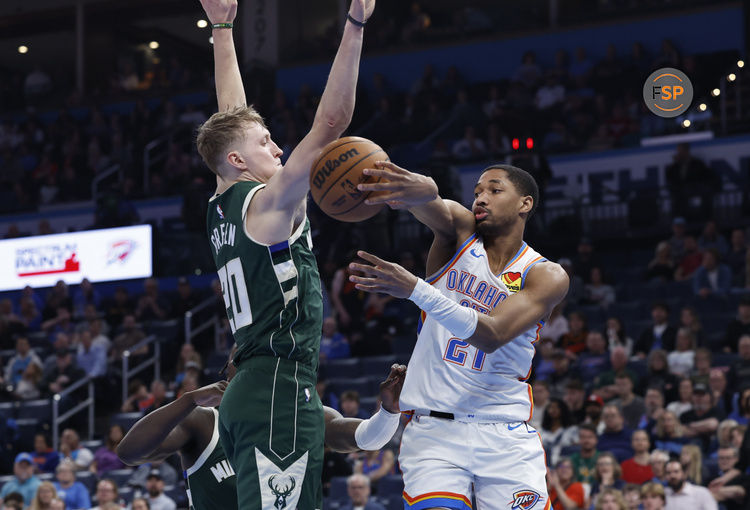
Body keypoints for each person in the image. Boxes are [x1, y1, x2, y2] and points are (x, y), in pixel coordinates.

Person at [196, 0, 374, 506]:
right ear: (238, 160)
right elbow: (332, 122)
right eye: (267, 142)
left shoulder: (222, 200)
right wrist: (356, 23)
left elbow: (231, 116)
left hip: (247, 391)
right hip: (277, 385)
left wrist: (224, 26)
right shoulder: (272, 203)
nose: (278, 149)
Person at [348, 162, 569, 508]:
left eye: (494, 191)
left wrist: (415, 289)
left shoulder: (545, 275)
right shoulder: (458, 234)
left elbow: (492, 333)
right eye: (477, 191)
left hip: (504, 433)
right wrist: (421, 191)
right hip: (435, 433)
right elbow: (435, 206)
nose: (481, 199)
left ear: (525, 203)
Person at [117, 345, 405, 510]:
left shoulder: (301, 415)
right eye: (244, 361)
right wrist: (189, 400)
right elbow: (129, 452)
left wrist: (390, 412)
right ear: (227, 373)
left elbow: (366, 438)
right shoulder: (204, 422)